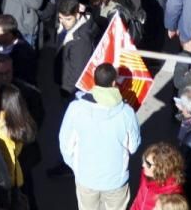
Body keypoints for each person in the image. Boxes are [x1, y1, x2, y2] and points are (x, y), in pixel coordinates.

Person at [58, 62, 142, 210]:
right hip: (116, 181)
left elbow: (65, 144)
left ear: (94, 80)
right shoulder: (127, 112)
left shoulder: (75, 108)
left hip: (86, 179)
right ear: (114, 83)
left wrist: (77, 168)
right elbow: (133, 147)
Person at [129, 141, 186, 210]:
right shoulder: (147, 175)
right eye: (144, 160)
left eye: (148, 164)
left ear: (161, 167)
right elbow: (139, 197)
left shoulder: (171, 194)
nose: (143, 165)